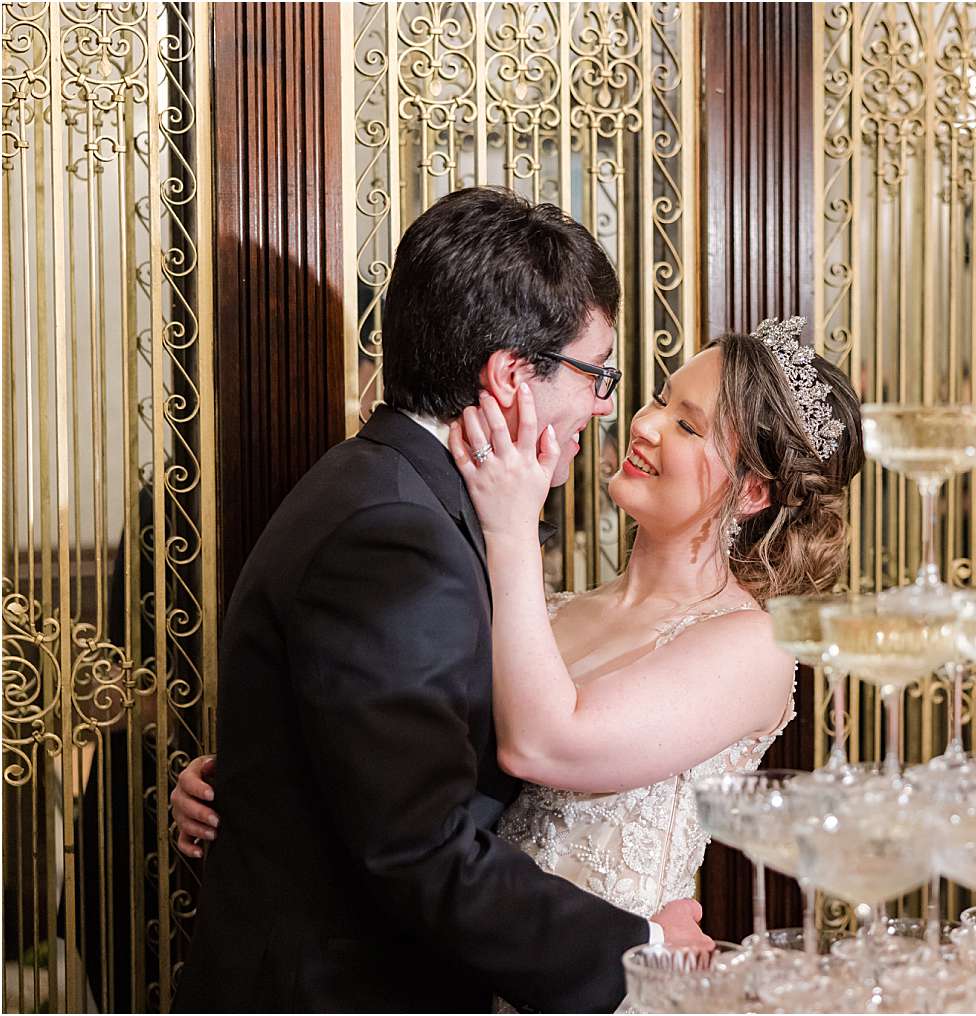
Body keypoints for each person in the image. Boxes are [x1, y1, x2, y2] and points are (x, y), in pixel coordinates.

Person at [174, 317, 866, 982]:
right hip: (467, 975)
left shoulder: (753, 644)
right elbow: (410, 765)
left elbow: (543, 743)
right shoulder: (554, 609)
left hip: (606, 985)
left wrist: (510, 524)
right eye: (659, 398)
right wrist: (260, 783)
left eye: (686, 424)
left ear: (751, 491)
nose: (643, 425)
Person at [171, 187, 707, 1014]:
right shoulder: (395, 533)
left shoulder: (395, 490)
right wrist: (645, 952)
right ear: (507, 376)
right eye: (597, 373)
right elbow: (419, 845)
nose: (608, 407)